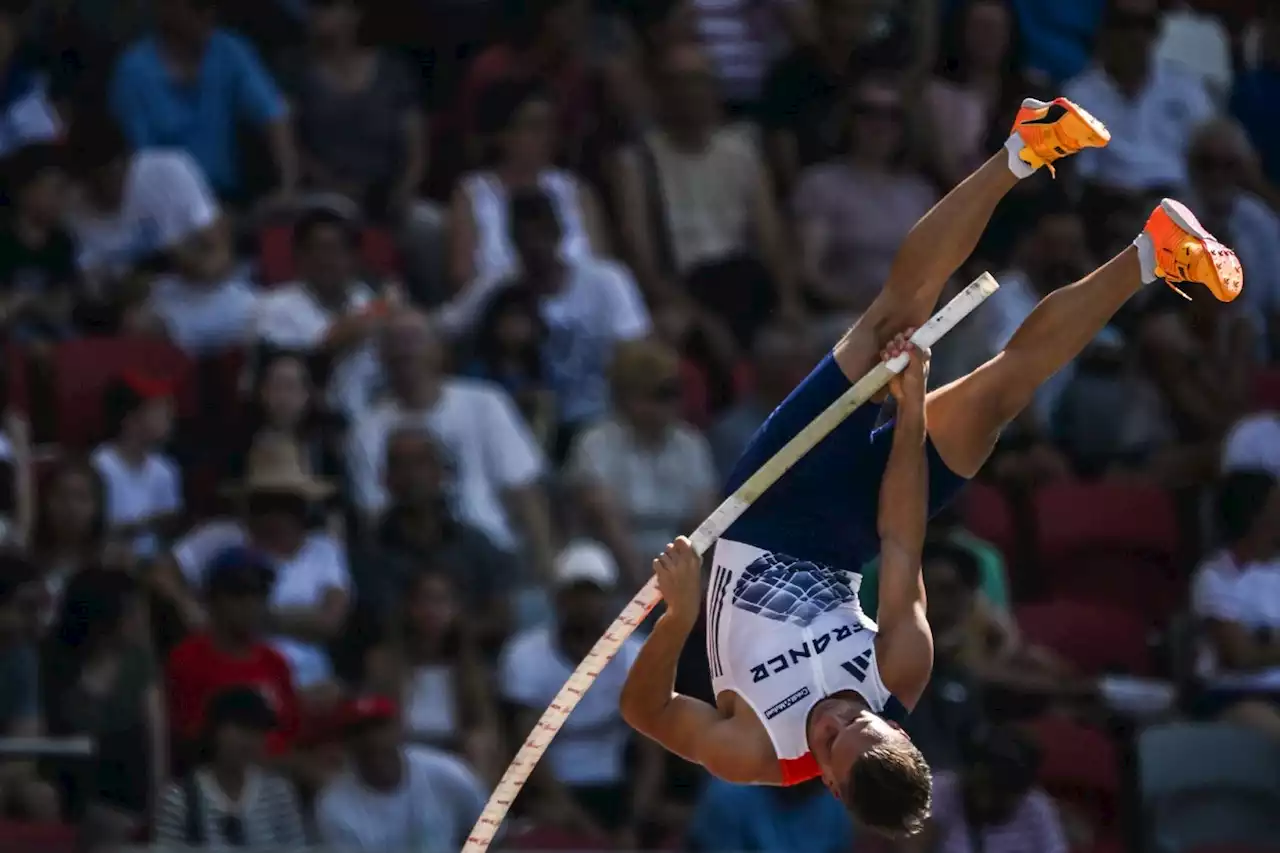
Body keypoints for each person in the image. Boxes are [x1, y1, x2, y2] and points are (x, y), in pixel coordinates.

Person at [620, 94, 1242, 837]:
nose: (836, 721)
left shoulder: (757, 749)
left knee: (893, 320)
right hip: (853, 531)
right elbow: (901, 540)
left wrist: (682, 618)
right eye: (859, 724)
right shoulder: (900, 672)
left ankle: (1051, 173)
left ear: (833, 784)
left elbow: (644, 710)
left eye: (832, 742)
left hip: (766, 511)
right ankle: (1139, 242)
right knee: (990, 396)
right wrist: (912, 404)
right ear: (898, 731)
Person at [154, 686, 306, 848]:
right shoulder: (179, 798)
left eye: (258, 731)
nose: (250, 741)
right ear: (215, 731)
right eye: (242, 728)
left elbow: (295, 847)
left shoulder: (279, 793)